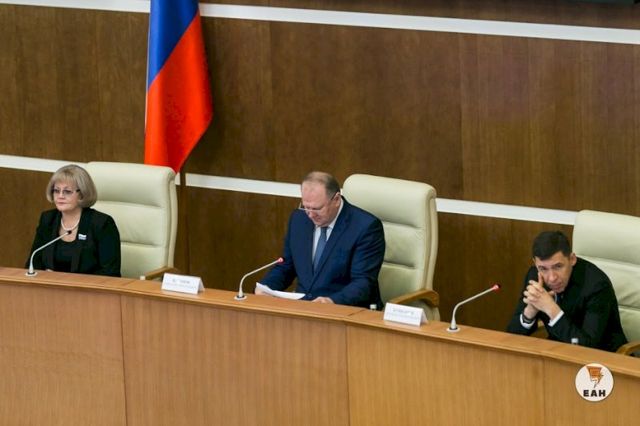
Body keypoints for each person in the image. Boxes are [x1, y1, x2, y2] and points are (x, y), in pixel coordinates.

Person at [258, 171, 385, 307]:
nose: (310, 215)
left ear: (336, 200)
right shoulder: (298, 219)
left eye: (317, 208)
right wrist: (266, 287)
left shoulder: (365, 227)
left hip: (345, 310)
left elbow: (363, 282)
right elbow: (286, 265)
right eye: (306, 207)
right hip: (304, 308)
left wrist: (331, 301)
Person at [507, 231, 626, 352]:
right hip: (558, 352)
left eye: (558, 266)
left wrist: (551, 309)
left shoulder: (597, 285)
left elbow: (588, 348)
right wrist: (530, 311)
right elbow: (511, 338)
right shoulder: (535, 277)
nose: (552, 278)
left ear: (572, 259)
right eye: (543, 269)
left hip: (605, 358)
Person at [26, 164, 121, 277]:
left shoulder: (102, 224)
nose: (60, 196)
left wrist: (64, 279)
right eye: (56, 190)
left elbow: (110, 272)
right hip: (50, 286)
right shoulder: (48, 220)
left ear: (82, 194)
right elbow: (33, 263)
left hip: (88, 288)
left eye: (67, 191)